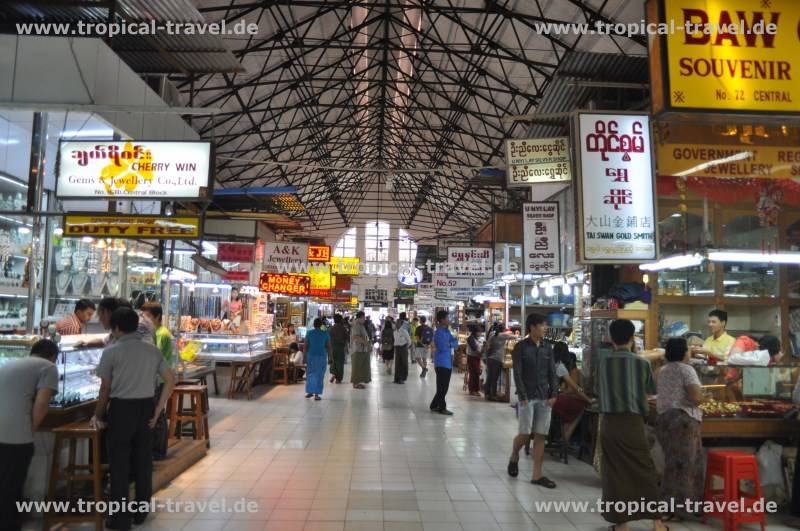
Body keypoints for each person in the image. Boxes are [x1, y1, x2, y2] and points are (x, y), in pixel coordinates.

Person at [91, 308, 176, 530]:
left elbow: (105, 389)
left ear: (117, 327)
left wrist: (97, 415)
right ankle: (140, 512)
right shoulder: (152, 351)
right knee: (143, 460)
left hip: (121, 410)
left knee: (119, 463)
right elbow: (170, 379)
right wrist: (158, 410)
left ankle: (120, 518)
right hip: (146, 408)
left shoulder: (111, 352)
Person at [596, 319, 667, 531]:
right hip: (633, 424)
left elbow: (598, 390)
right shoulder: (642, 363)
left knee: (615, 472)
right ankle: (657, 523)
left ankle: (622, 524)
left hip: (609, 424)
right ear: (631, 337)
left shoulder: (603, 362)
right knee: (644, 470)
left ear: (611, 338)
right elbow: (649, 391)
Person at [0, 339, 59, 531]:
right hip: (16, 435)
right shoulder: (49, 367)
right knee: (12, 486)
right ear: (52, 356)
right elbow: (42, 403)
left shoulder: (11, 364)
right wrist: (31, 428)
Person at [507, 314, 558, 488]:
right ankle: (515, 454)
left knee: (540, 434)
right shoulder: (521, 348)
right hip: (527, 397)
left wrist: (554, 394)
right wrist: (522, 396)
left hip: (544, 396)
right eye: (542, 325)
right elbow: (518, 373)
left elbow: (553, 371)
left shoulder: (547, 347)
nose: (545, 328)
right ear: (532, 328)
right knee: (525, 433)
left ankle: (537, 475)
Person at [656, 337, 704, 519]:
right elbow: (696, 397)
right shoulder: (687, 370)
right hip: (683, 421)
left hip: (664, 420)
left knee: (671, 463)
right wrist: (705, 396)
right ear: (684, 352)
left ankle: (669, 507)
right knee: (684, 466)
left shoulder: (663, 370)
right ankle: (678, 509)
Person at [550, 341, 591, 444]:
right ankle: (566, 435)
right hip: (553, 400)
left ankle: (565, 434)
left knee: (569, 405)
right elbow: (576, 388)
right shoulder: (560, 366)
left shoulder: (548, 362)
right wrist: (587, 398)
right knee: (581, 404)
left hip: (544, 398)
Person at [430, 310, 459, 415]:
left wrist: (450, 343)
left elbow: (456, 342)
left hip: (448, 362)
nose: (448, 320)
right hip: (441, 362)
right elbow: (442, 346)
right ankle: (442, 407)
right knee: (442, 387)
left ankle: (434, 405)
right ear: (442, 320)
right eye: (447, 318)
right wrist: (451, 344)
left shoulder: (447, 331)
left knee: (444, 387)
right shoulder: (439, 332)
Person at [484, 323, 514, 401]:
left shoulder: (492, 335)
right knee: (494, 378)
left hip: (490, 358)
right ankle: (493, 395)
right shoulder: (503, 335)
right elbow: (514, 337)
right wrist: (510, 332)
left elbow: (488, 344)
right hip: (497, 359)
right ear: (503, 329)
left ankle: (487, 394)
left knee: (489, 377)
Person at [304, 318, 332, 401]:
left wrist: (304, 357)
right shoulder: (325, 334)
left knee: (310, 374)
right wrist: (331, 357)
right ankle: (316, 394)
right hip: (321, 356)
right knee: (319, 375)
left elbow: (305, 346)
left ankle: (310, 392)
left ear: (313, 325)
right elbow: (329, 347)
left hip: (311, 356)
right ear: (321, 325)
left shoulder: (309, 333)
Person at [350, 311, 371, 389]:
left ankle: (358, 382)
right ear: (361, 317)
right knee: (356, 367)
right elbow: (355, 337)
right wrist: (366, 343)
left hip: (362, 349)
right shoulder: (356, 325)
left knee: (360, 367)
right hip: (357, 349)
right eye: (364, 317)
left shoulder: (361, 325)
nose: (365, 319)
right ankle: (355, 383)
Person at [328, 314, 348, 384]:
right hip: (340, 347)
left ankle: (334, 373)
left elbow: (328, 339)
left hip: (332, 347)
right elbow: (346, 338)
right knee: (340, 363)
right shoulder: (343, 328)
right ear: (341, 320)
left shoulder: (331, 328)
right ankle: (338, 379)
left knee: (333, 361)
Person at [393, 317, 412, 384]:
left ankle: (402, 378)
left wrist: (406, 347)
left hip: (403, 348)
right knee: (397, 364)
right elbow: (395, 341)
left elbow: (409, 341)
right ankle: (397, 378)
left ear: (401, 324)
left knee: (404, 363)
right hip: (397, 348)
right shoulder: (395, 332)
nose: (396, 324)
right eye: (396, 323)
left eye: (398, 323)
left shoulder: (404, 331)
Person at [466, 325, 482, 396]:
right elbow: (474, 348)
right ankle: (472, 390)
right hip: (472, 358)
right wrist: (481, 352)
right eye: (479, 332)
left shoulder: (476, 338)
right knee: (473, 374)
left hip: (476, 358)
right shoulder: (470, 338)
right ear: (475, 332)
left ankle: (476, 390)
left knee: (477, 373)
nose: (480, 333)